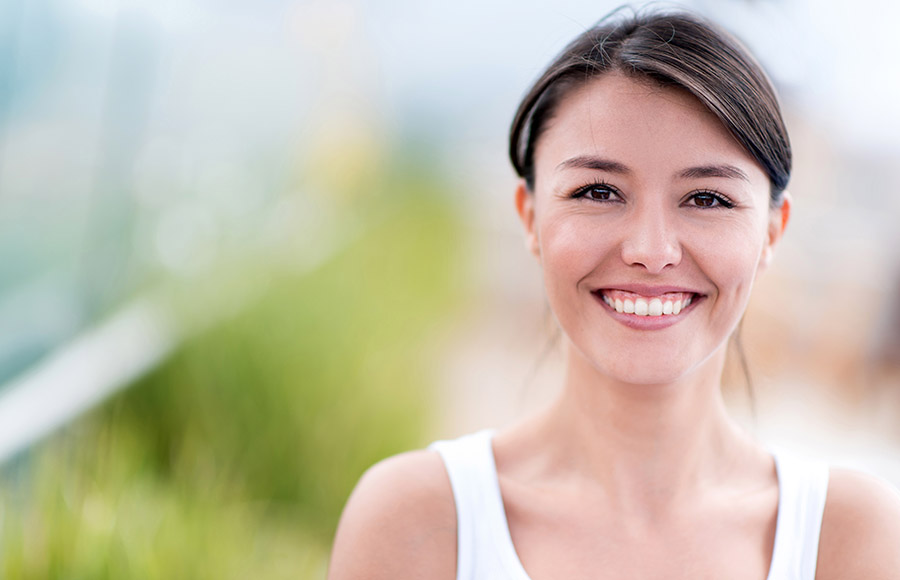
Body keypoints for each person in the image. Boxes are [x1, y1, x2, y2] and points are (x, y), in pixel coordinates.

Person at [328, 8, 900, 579]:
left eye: (707, 198)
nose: (652, 251)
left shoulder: (845, 537)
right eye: (599, 191)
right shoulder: (420, 522)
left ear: (772, 231)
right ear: (529, 217)